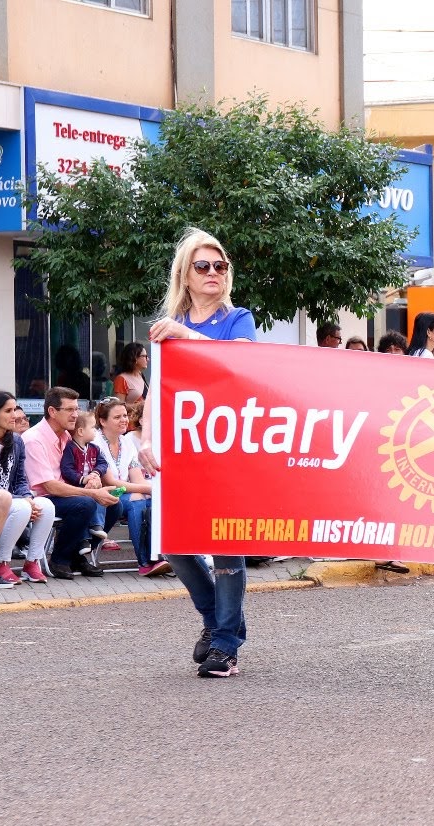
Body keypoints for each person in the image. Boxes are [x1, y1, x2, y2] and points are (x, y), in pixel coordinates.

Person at [139, 227, 257, 678]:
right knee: (174, 541)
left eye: (220, 265)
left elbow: (239, 363)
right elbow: (157, 390)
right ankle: (215, 620)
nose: (213, 272)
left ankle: (225, 645)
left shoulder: (238, 318)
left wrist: (184, 334)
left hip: (226, 446)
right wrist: (147, 439)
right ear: (184, 275)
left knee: (226, 544)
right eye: (202, 265)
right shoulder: (170, 323)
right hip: (181, 447)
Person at [22, 387, 115, 579]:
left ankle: (77, 554)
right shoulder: (33, 439)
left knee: (114, 503)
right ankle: (60, 559)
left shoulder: (66, 435)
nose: (75, 415)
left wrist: (94, 477)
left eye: (77, 409)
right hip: (42, 499)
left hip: (66, 494)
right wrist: (92, 493)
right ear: (52, 411)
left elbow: (91, 463)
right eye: (70, 409)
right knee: (86, 504)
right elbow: (49, 486)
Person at [0, 391, 54, 586]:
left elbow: (20, 479)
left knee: (46, 505)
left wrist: (27, 496)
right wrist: (21, 500)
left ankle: (32, 562)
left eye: (15, 410)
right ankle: (0, 562)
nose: (15, 415)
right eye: (8, 411)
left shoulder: (16, 442)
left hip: (11, 499)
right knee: (21, 506)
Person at [93, 397, 166, 576]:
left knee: (155, 502)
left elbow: (137, 478)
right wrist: (148, 490)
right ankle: (145, 562)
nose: (124, 420)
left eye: (125, 416)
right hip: (103, 494)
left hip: (124, 492)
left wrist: (153, 493)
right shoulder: (96, 441)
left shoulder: (126, 442)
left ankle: (161, 556)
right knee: (137, 501)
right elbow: (110, 482)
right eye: (117, 417)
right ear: (103, 421)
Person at [60, 410, 110, 544]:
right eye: (93, 427)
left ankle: (97, 524)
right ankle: (83, 538)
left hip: (91, 484)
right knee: (85, 504)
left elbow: (103, 463)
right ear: (81, 431)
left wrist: (95, 473)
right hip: (76, 487)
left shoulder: (94, 448)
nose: (96, 431)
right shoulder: (70, 449)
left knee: (99, 495)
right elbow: (66, 469)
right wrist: (82, 479)